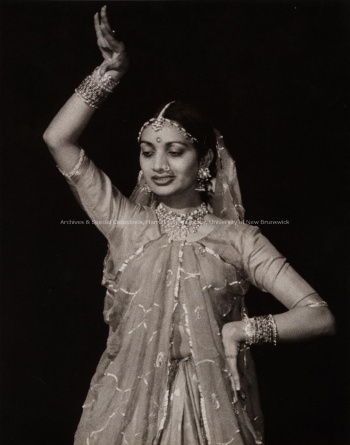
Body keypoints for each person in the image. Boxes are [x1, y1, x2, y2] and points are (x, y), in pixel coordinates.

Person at [43, 6, 336, 445]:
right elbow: (58, 139)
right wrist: (110, 73)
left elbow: (319, 316)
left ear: (204, 162)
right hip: (123, 411)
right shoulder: (126, 223)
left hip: (207, 415)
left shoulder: (239, 239)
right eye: (147, 151)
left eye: (175, 151)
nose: (158, 165)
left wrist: (242, 330)